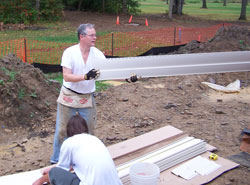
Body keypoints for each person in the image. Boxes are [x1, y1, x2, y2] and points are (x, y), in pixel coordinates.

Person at [51, 23, 138, 164]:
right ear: (82, 37)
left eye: (95, 35)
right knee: (62, 131)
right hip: (69, 96)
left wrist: (127, 79)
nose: (95, 38)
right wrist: (85, 76)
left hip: (86, 98)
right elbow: (66, 76)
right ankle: (56, 160)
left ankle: (87, 159)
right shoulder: (69, 52)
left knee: (90, 131)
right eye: (92, 35)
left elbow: (108, 73)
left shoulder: (97, 54)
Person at [33, 114, 122, 185]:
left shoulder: (69, 142)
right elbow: (80, 164)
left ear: (69, 131)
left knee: (54, 172)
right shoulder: (95, 139)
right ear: (85, 129)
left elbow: (61, 170)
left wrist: (40, 181)